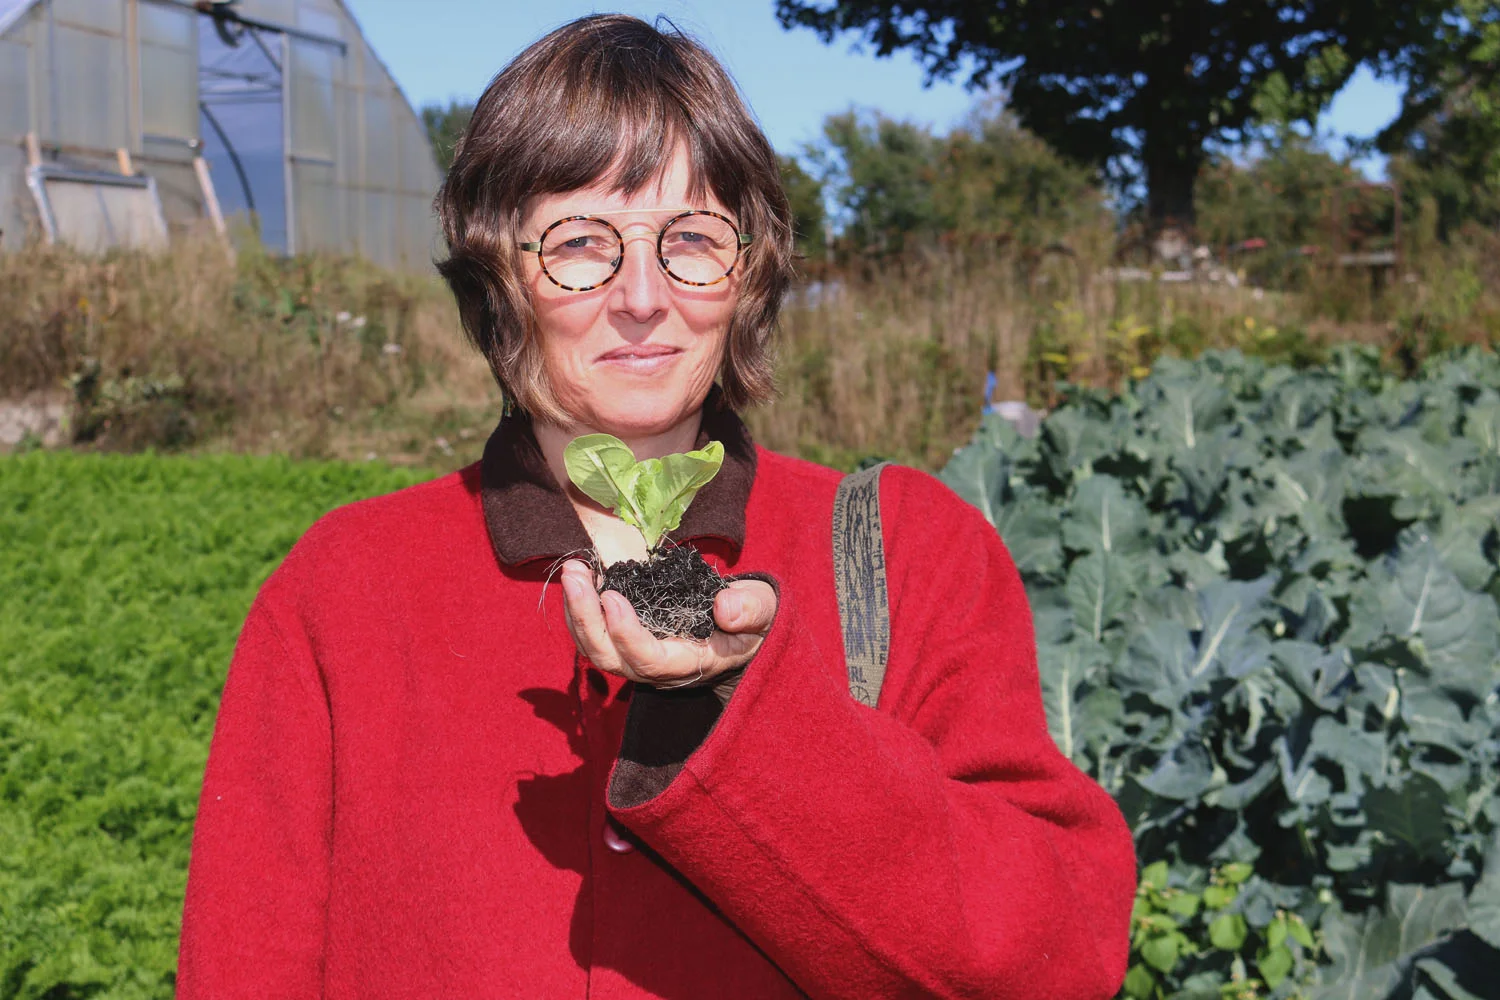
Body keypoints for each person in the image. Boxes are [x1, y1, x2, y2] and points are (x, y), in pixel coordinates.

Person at [176, 14, 1136, 999]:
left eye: (691, 240)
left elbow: (1059, 955)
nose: (643, 294)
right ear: (498, 272)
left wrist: (746, 709)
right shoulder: (347, 586)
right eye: (580, 243)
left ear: (748, 270)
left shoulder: (906, 550)